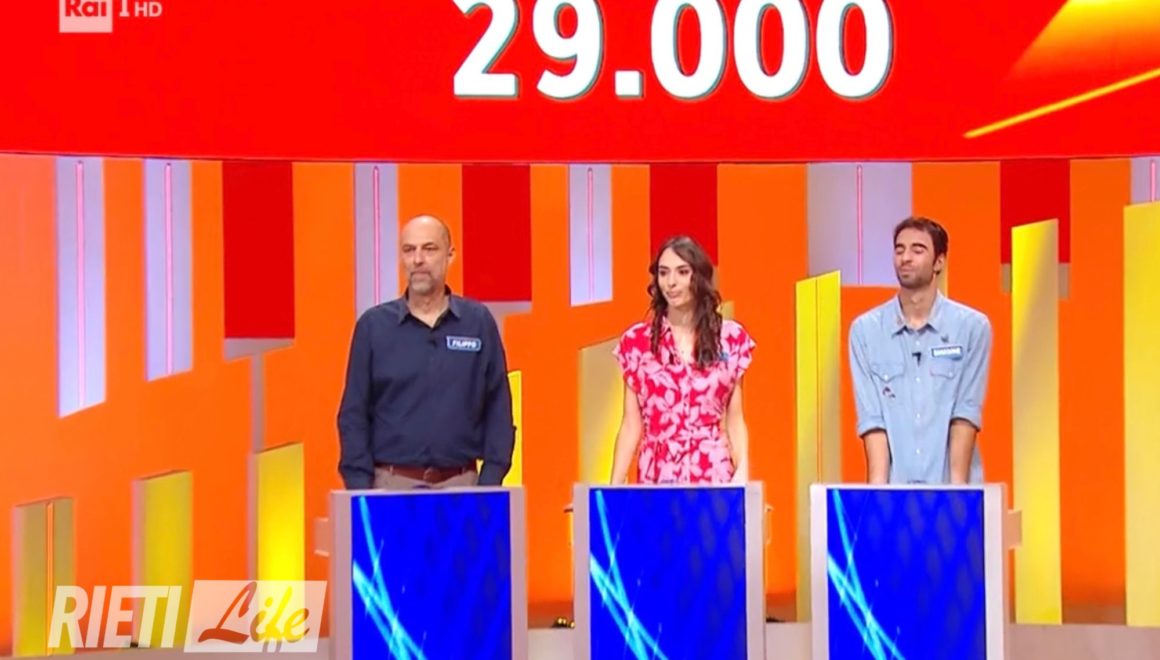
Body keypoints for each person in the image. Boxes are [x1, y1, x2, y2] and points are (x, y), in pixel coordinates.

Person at [336, 214, 515, 489]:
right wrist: (361, 490)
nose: (418, 260)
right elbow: (353, 414)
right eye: (409, 250)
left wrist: (490, 482)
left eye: (429, 249)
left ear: (450, 255)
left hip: (463, 485)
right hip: (389, 486)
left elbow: (498, 409)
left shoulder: (478, 322)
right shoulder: (373, 327)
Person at [848, 216, 993, 485]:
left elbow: (965, 413)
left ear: (939, 262)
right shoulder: (866, 331)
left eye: (918, 250)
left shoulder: (972, 327)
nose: (905, 258)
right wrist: (878, 495)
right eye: (899, 249)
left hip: (951, 487)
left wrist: (956, 494)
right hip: (895, 491)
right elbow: (873, 422)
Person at [608, 235, 756, 485]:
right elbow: (631, 425)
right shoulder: (637, 343)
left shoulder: (730, 339)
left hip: (712, 474)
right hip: (657, 477)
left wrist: (742, 472)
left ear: (698, 276)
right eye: (663, 273)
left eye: (682, 272)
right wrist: (612, 490)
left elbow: (735, 419)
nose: (671, 283)